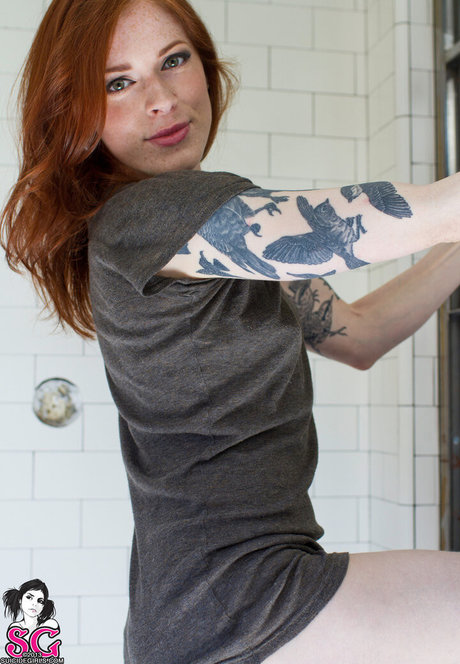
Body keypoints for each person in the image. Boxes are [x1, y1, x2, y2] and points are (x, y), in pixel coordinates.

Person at [1, 0, 460, 663]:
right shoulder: (146, 215)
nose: (161, 98)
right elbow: (377, 223)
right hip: (234, 605)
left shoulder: (212, 240)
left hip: (221, 606)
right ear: (77, 112)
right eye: (118, 82)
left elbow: (358, 335)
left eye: (174, 60)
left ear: (205, 66)